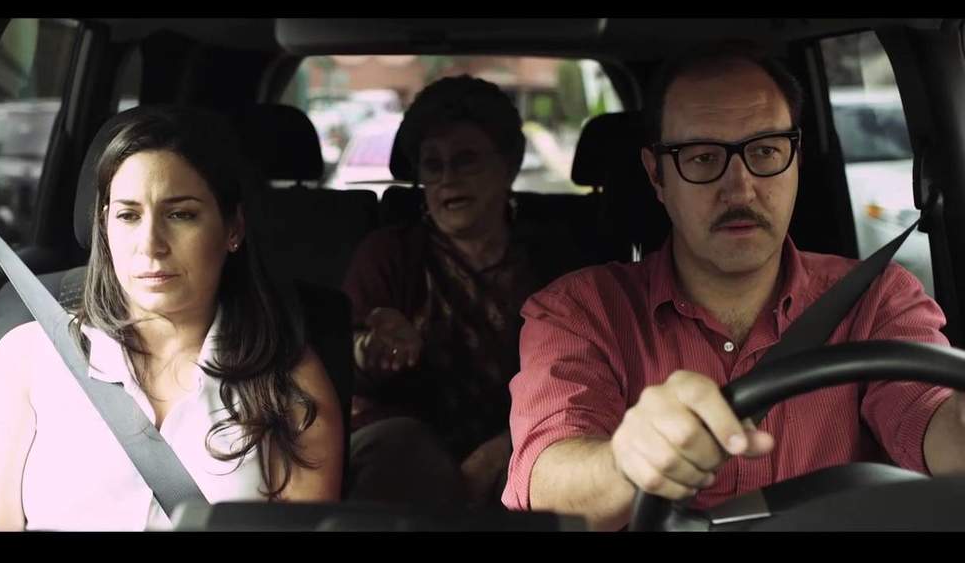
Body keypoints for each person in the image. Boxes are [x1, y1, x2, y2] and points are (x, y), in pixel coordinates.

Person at [502, 42, 965, 530]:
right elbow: (545, 479)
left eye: (765, 151)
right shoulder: (579, 310)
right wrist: (627, 461)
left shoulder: (878, 296)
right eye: (703, 157)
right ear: (657, 175)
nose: (740, 189)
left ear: (795, 159)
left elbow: (932, 416)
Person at [0, 106, 343, 531]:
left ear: (233, 228)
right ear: (105, 227)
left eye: (181, 214)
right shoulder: (28, 358)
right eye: (128, 215)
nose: (151, 243)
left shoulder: (288, 379)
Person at [342, 75, 589, 507]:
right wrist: (369, 349)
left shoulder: (556, 258)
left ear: (508, 165)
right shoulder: (388, 254)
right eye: (432, 165)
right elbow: (337, 364)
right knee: (402, 451)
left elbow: (586, 377)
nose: (447, 179)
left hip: (526, 436)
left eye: (466, 160)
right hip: (403, 452)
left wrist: (503, 448)